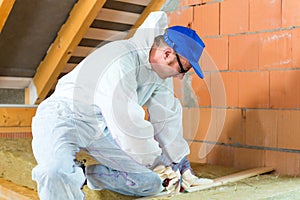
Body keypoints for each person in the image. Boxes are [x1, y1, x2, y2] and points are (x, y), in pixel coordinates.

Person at [31, 11, 212, 200]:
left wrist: (178, 159)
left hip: (101, 127)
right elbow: (126, 121)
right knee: (55, 172)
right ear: (167, 54)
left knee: (151, 182)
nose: (181, 76)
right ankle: (66, 175)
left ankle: (83, 176)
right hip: (63, 116)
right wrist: (158, 163)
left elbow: (167, 116)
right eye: (183, 69)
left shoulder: (160, 75)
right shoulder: (121, 59)